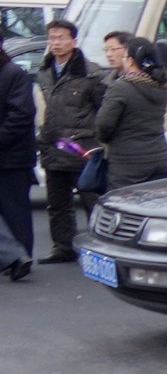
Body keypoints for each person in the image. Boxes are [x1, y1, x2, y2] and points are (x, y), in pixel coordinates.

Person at [33, 19, 106, 265]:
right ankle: (63, 247)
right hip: (53, 146)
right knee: (57, 204)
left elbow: (103, 110)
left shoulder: (91, 73)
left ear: (74, 41)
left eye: (61, 37)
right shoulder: (44, 71)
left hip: (82, 148)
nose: (56, 43)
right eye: (52, 38)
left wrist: (97, 143)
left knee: (91, 200)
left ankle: (102, 248)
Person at [95, 31, 167, 191]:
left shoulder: (121, 87)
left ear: (130, 61)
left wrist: (104, 140)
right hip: (158, 155)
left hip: (127, 160)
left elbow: (104, 124)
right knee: (154, 203)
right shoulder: (162, 85)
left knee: (124, 205)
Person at [0, 47, 35, 274]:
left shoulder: (13, 73)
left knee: (15, 212)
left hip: (13, 155)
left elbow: (22, 114)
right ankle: (12, 258)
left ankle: (21, 259)